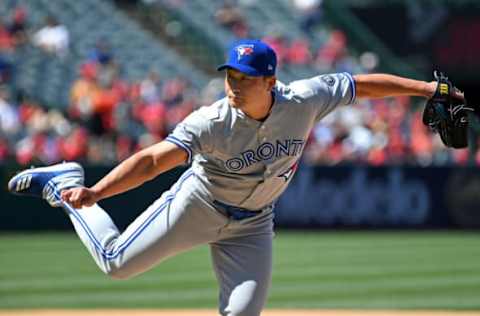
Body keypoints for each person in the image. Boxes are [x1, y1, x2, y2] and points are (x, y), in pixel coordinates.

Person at [8, 39, 463, 316]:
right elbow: (151, 162)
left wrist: (426, 89)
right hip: (197, 206)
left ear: (269, 81)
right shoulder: (210, 121)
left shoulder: (303, 99)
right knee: (116, 263)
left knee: (244, 313)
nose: (233, 84)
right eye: (230, 74)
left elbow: (362, 86)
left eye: (244, 77)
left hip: (252, 225)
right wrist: (97, 191)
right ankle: (62, 185)